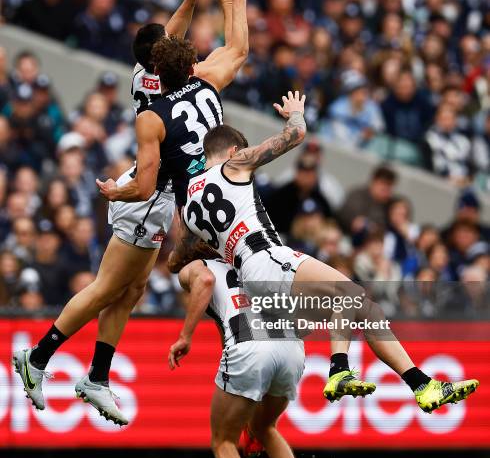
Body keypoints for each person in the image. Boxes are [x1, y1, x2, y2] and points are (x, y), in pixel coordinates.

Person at [14, 0, 250, 424]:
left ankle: (96, 377)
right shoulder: (194, 87)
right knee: (108, 289)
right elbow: (223, 49)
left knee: (133, 289)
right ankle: (37, 358)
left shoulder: (149, 77)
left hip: (154, 197)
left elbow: (167, 42)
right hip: (148, 196)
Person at [172, 91, 478, 414]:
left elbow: (177, 258)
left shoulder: (189, 207)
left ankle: (421, 385)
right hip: (270, 260)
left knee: (363, 307)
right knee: (351, 294)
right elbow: (296, 134)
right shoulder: (235, 163)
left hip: (253, 280)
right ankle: (339, 371)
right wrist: (295, 113)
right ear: (234, 150)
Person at [168, 257, 324, 458]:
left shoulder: (200, 265)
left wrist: (185, 336)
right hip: (291, 345)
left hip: (248, 341)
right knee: (265, 427)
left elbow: (206, 281)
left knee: (223, 441)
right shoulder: (260, 256)